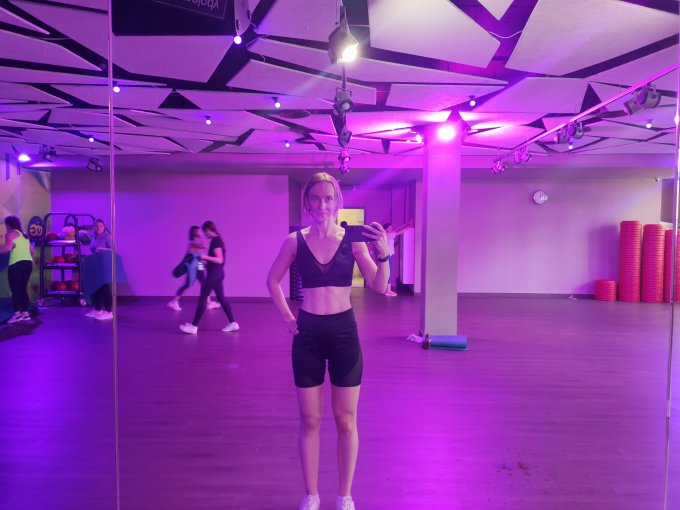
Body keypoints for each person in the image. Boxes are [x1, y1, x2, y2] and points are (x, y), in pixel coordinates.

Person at [266, 172, 390, 510]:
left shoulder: (353, 240)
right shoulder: (294, 241)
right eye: (316, 198)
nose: (322, 205)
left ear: (337, 203)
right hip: (307, 334)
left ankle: (345, 496)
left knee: (345, 420)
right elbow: (272, 280)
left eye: (329, 199)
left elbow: (379, 286)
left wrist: (384, 256)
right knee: (309, 420)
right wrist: (288, 317)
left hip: (344, 334)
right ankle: (311, 495)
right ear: (307, 203)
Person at [179, 220, 239, 334]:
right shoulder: (217, 240)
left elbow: (219, 260)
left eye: (204, 233)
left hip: (214, 275)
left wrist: (205, 257)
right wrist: (204, 262)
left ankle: (193, 327)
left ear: (207, 230)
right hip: (217, 274)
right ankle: (233, 323)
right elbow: (216, 261)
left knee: (203, 298)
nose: (205, 236)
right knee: (221, 298)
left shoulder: (216, 241)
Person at [167, 226, 220, 312]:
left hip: (198, 265)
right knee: (188, 284)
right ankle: (174, 301)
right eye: (200, 231)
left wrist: (204, 262)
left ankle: (209, 303)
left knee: (204, 283)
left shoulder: (196, 243)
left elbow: (197, 256)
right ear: (194, 232)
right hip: (192, 266)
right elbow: (205, 246)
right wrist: (202, 236)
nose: (202, 233)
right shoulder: (192, 243)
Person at [1, 216, 34, 324]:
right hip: (28, 264)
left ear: (8, 225)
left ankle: (17, 315)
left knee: (15, 290)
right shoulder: (25, 235)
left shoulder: (10, 234)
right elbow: (32, 250)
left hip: (16, 264)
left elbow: (7, 248)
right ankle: (25, 314)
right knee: (22, 289)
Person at [85, 219, 113, 320]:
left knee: (104, 288)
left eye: (101, 226)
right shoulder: (94, 236)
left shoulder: (107, 237)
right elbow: (92, 248)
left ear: (104, 227)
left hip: (104, 265)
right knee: (97, 288)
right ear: (94, 227)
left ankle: (109, 311)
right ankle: (98, 309)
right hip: (96, 265)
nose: (98, 228)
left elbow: (113, 249)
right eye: (97, 226)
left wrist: (101, 249)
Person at [381, 221, 412, 297]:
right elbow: (400, 232)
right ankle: (388, 290)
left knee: (388, 272)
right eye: (389, 228)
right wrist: (409, 227)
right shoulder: (389, 235)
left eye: (391, 227)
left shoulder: (387, 234)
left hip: (387, 255)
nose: (391, 229)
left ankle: (387, 289)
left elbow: (397, 229)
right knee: (390, 272)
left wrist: (406, 224)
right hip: (389, 256)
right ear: (385, 229)